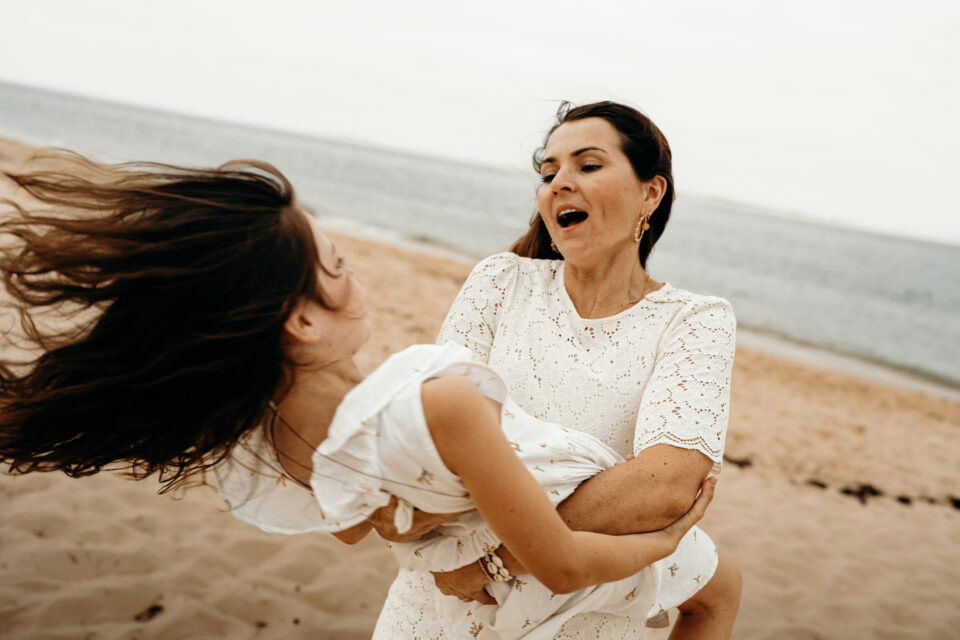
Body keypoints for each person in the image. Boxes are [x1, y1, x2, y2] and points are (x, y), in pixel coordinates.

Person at [0, 151, 721, 639]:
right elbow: (560, 563)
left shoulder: (279, 431)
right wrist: (660, 544)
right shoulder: (442, 394)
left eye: (586, 165)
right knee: (722, 591)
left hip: (480, 549)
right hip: (557, 549)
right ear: (304, 322)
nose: (354, 275)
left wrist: (444, 529)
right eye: (338, 263)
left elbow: (360, 525)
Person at [372, 101, 742, 640]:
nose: (559, 183)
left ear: (651, 193)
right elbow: (426, 448)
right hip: (434, 608)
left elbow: (665, 486)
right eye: (548, 174)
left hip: (577, 614)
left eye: (587, 165)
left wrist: (491, 561)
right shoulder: (500, 282)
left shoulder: (695, 320)